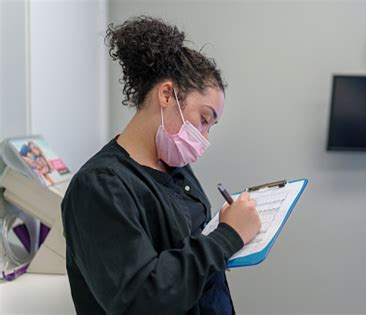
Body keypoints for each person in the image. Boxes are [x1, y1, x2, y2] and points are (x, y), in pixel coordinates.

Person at [61, 16, 261, 314]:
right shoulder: (100, 186)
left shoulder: (173, 165)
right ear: (167, 94)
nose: (204, 137)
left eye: (211, 126)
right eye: (204, 119)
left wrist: (229, 225)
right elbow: (141, 299)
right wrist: (228, 236)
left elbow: (187, 250)